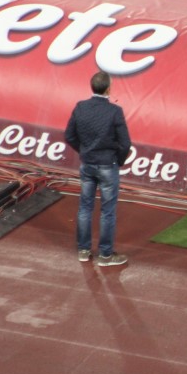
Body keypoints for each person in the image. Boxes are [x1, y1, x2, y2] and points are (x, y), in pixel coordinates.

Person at [64, 71, 132, 267]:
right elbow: (125, 143)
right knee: (107, 211)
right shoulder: (114, 111)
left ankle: (83, 250)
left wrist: (84, 151)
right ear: (108, 89)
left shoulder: (81, 107)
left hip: (87, 164)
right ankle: (105, 255)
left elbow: (69, 135)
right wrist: (118, 161)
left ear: (92, 87)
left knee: (85, 207)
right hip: (107, 165)